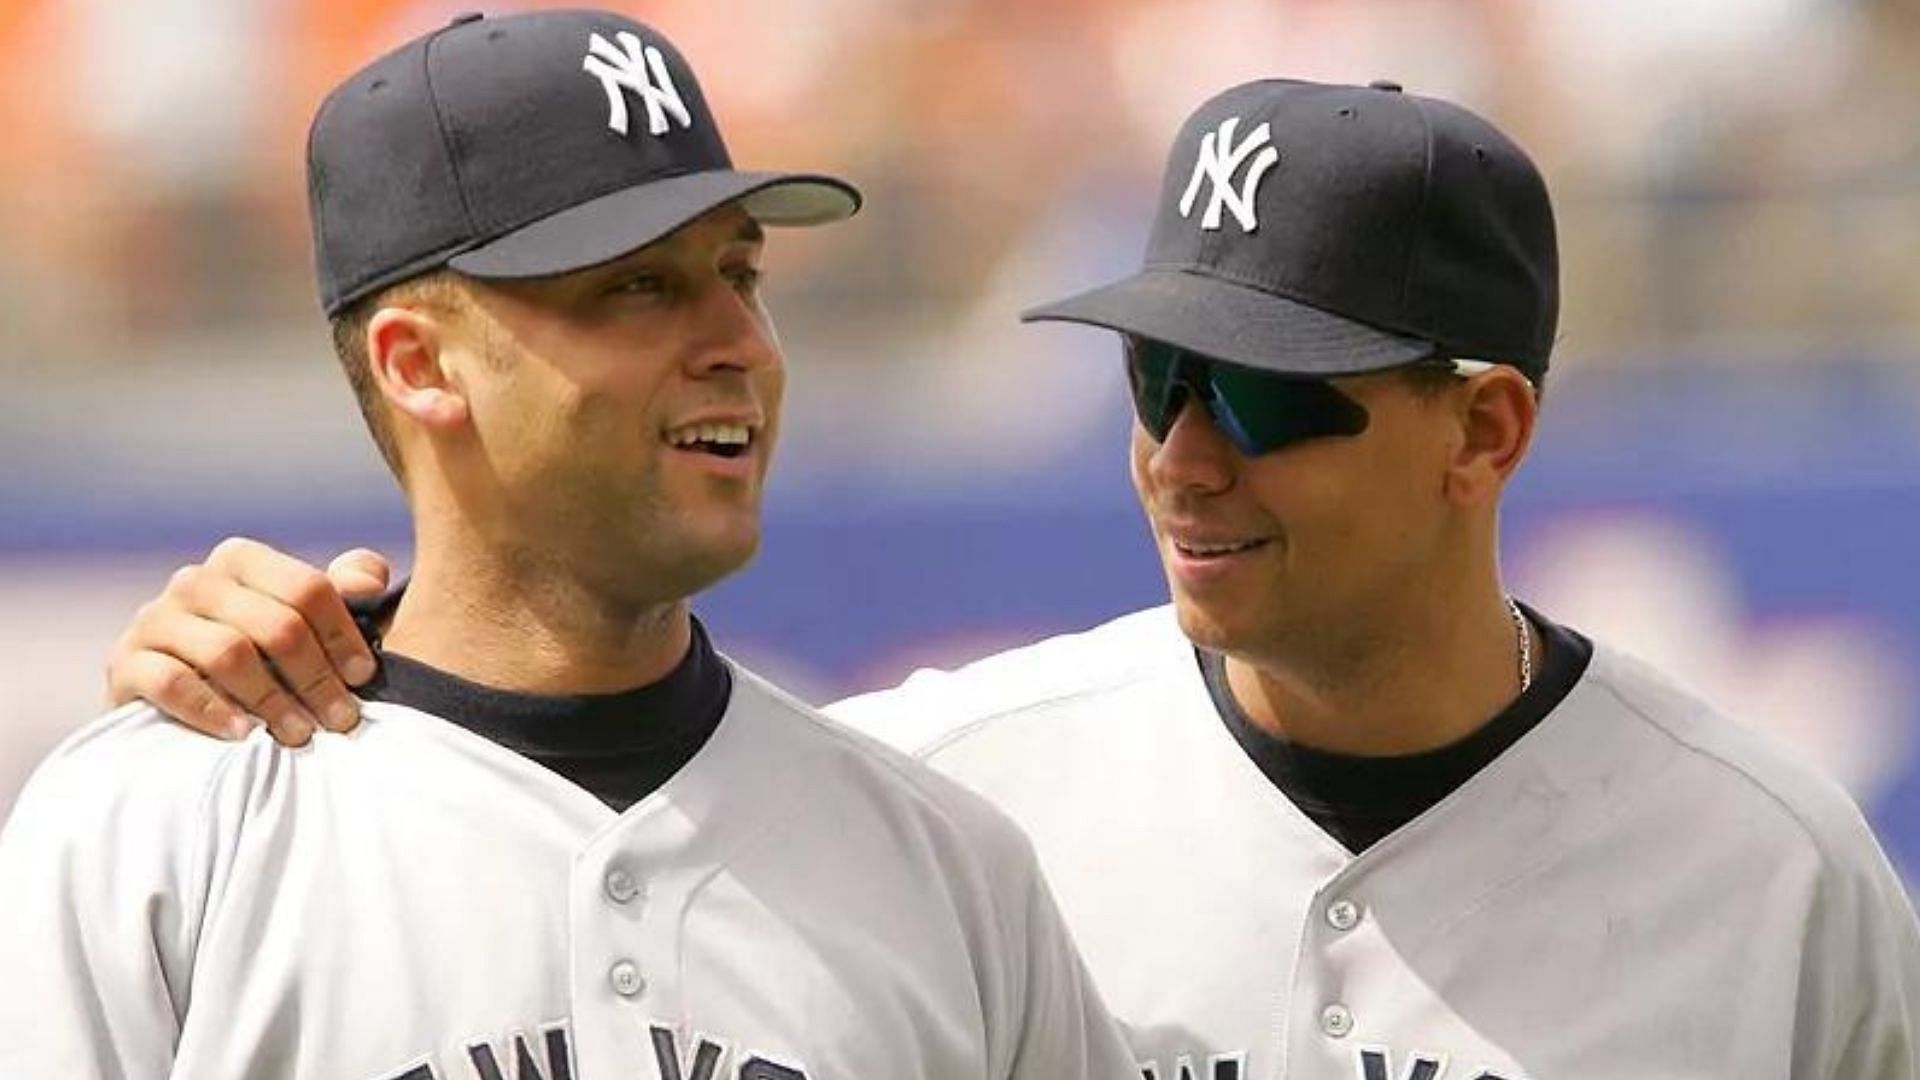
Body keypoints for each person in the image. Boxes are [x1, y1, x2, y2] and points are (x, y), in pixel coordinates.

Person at [98, 77, 1920, 1077]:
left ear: (1486, 432)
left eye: (1269, 392)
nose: (1181, 452)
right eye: (1154, 373)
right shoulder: (949, 796)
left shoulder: (1770, 865)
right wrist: (294, 656)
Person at [0, 10, 1138, 1079]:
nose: (739, 340)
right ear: (418, 363)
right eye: (640, 286)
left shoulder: (944, 864)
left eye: (741, 274)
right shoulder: (155, 829)